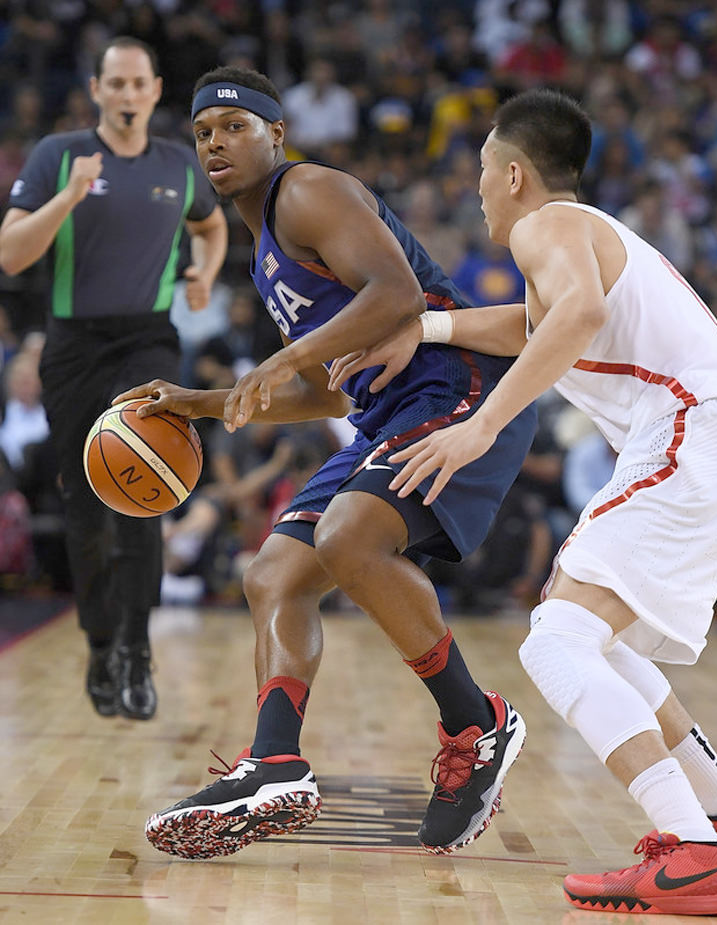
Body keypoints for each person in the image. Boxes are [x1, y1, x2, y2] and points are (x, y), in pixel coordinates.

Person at [331, 89, 717, 916]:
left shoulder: (548, 225)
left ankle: (691, 850)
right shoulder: (582, 238)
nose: (476, 187)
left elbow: (573, 315)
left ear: (514, 174)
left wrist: (480, 429)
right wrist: (431, 331)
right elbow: (541, 320)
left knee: (554, 644)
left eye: (481, 169)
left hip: (698, 436)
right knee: (597, 638)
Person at [115, 65, 537, 860]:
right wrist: (202, 401)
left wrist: (283, 359)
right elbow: (326, 393)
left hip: (460, 384)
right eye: (203, 133)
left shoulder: (307, 191)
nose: (215, 144)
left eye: (234, 127)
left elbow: (399, 293)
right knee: (272, 572)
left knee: (349, 538)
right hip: (385, 414)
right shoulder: (263, 255)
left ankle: (476, 723)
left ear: (276, 133)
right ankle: (274, 761)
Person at [0, 36, 227, 721]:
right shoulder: (57, 157)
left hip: (147, 341)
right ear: (96, 90)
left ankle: (137, 649)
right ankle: (100, 643)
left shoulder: (179, 165)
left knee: (147, 494)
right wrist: (67, 197)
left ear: (156, 91)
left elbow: (211, 228)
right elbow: (11, 256)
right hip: (73, 345)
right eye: (115, 84)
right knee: (86, 504)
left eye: (138, 84)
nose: (127, 95)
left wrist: (205, 273)